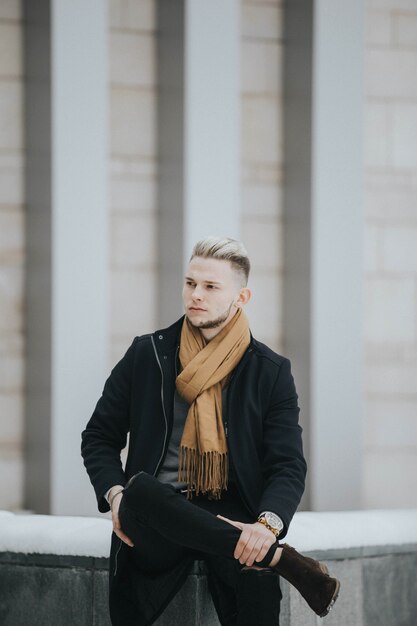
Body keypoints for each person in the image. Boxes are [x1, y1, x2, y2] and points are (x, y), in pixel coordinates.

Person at [81, 237, 340, 626]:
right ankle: (280, 558)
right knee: (140, 490)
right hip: (155, 516)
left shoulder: (268, 371)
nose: (195, 295)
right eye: (190, 283)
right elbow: (99, 437)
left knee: (256, 579)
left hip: (230, 513)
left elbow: (287, 464)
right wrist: (116, 496)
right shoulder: (147, 355)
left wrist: (266, 525)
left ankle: (262, 553)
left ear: (242, 296)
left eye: (210, 286)